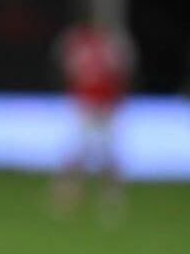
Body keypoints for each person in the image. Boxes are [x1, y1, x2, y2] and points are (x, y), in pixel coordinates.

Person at [51, 15, 134, 219]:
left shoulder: (113, 43)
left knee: (107, 153)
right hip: (86, 103)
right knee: (80, 150)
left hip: (106, 105)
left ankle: (110, 197)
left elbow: (123, 72)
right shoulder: (77, 41)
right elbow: (66, 68)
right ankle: (68, 194)